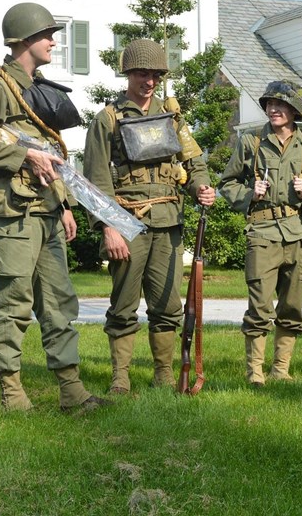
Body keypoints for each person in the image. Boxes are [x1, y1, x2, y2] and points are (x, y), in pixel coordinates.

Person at [0, 2, 111, 412]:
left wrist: (63, 205)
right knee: (12, 303)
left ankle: (71, 390)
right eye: (47, 35)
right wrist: (23, 158)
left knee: (59, 303)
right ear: (24, 39)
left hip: (45, 212)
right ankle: (12, 392)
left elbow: (47, 153)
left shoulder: (33, 87)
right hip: (13, 217)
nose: (53, 41)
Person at [83, 39, 215, 394]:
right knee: (124, 305)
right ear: (128, 73)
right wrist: (108, 228)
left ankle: (164, 374)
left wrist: (201, 186)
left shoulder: (173, 118)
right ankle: (121, 378)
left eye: (156, 74)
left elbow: (194, 163)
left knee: (168, 305)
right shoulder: (107, 120)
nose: (149, 81)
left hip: (169, 223)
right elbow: (95, 181)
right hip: (126, 223)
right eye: (142, 73)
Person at [218, 80, 302, 386]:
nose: (273, 108)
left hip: (298, 233)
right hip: (262, 233)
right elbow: (226, 183)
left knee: (292, 306)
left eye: (280, 104)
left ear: (295, 110)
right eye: (269, 103)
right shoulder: (251, 142)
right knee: (259, 306)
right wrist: (248, 194)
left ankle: (281, 369)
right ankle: (255, 372)